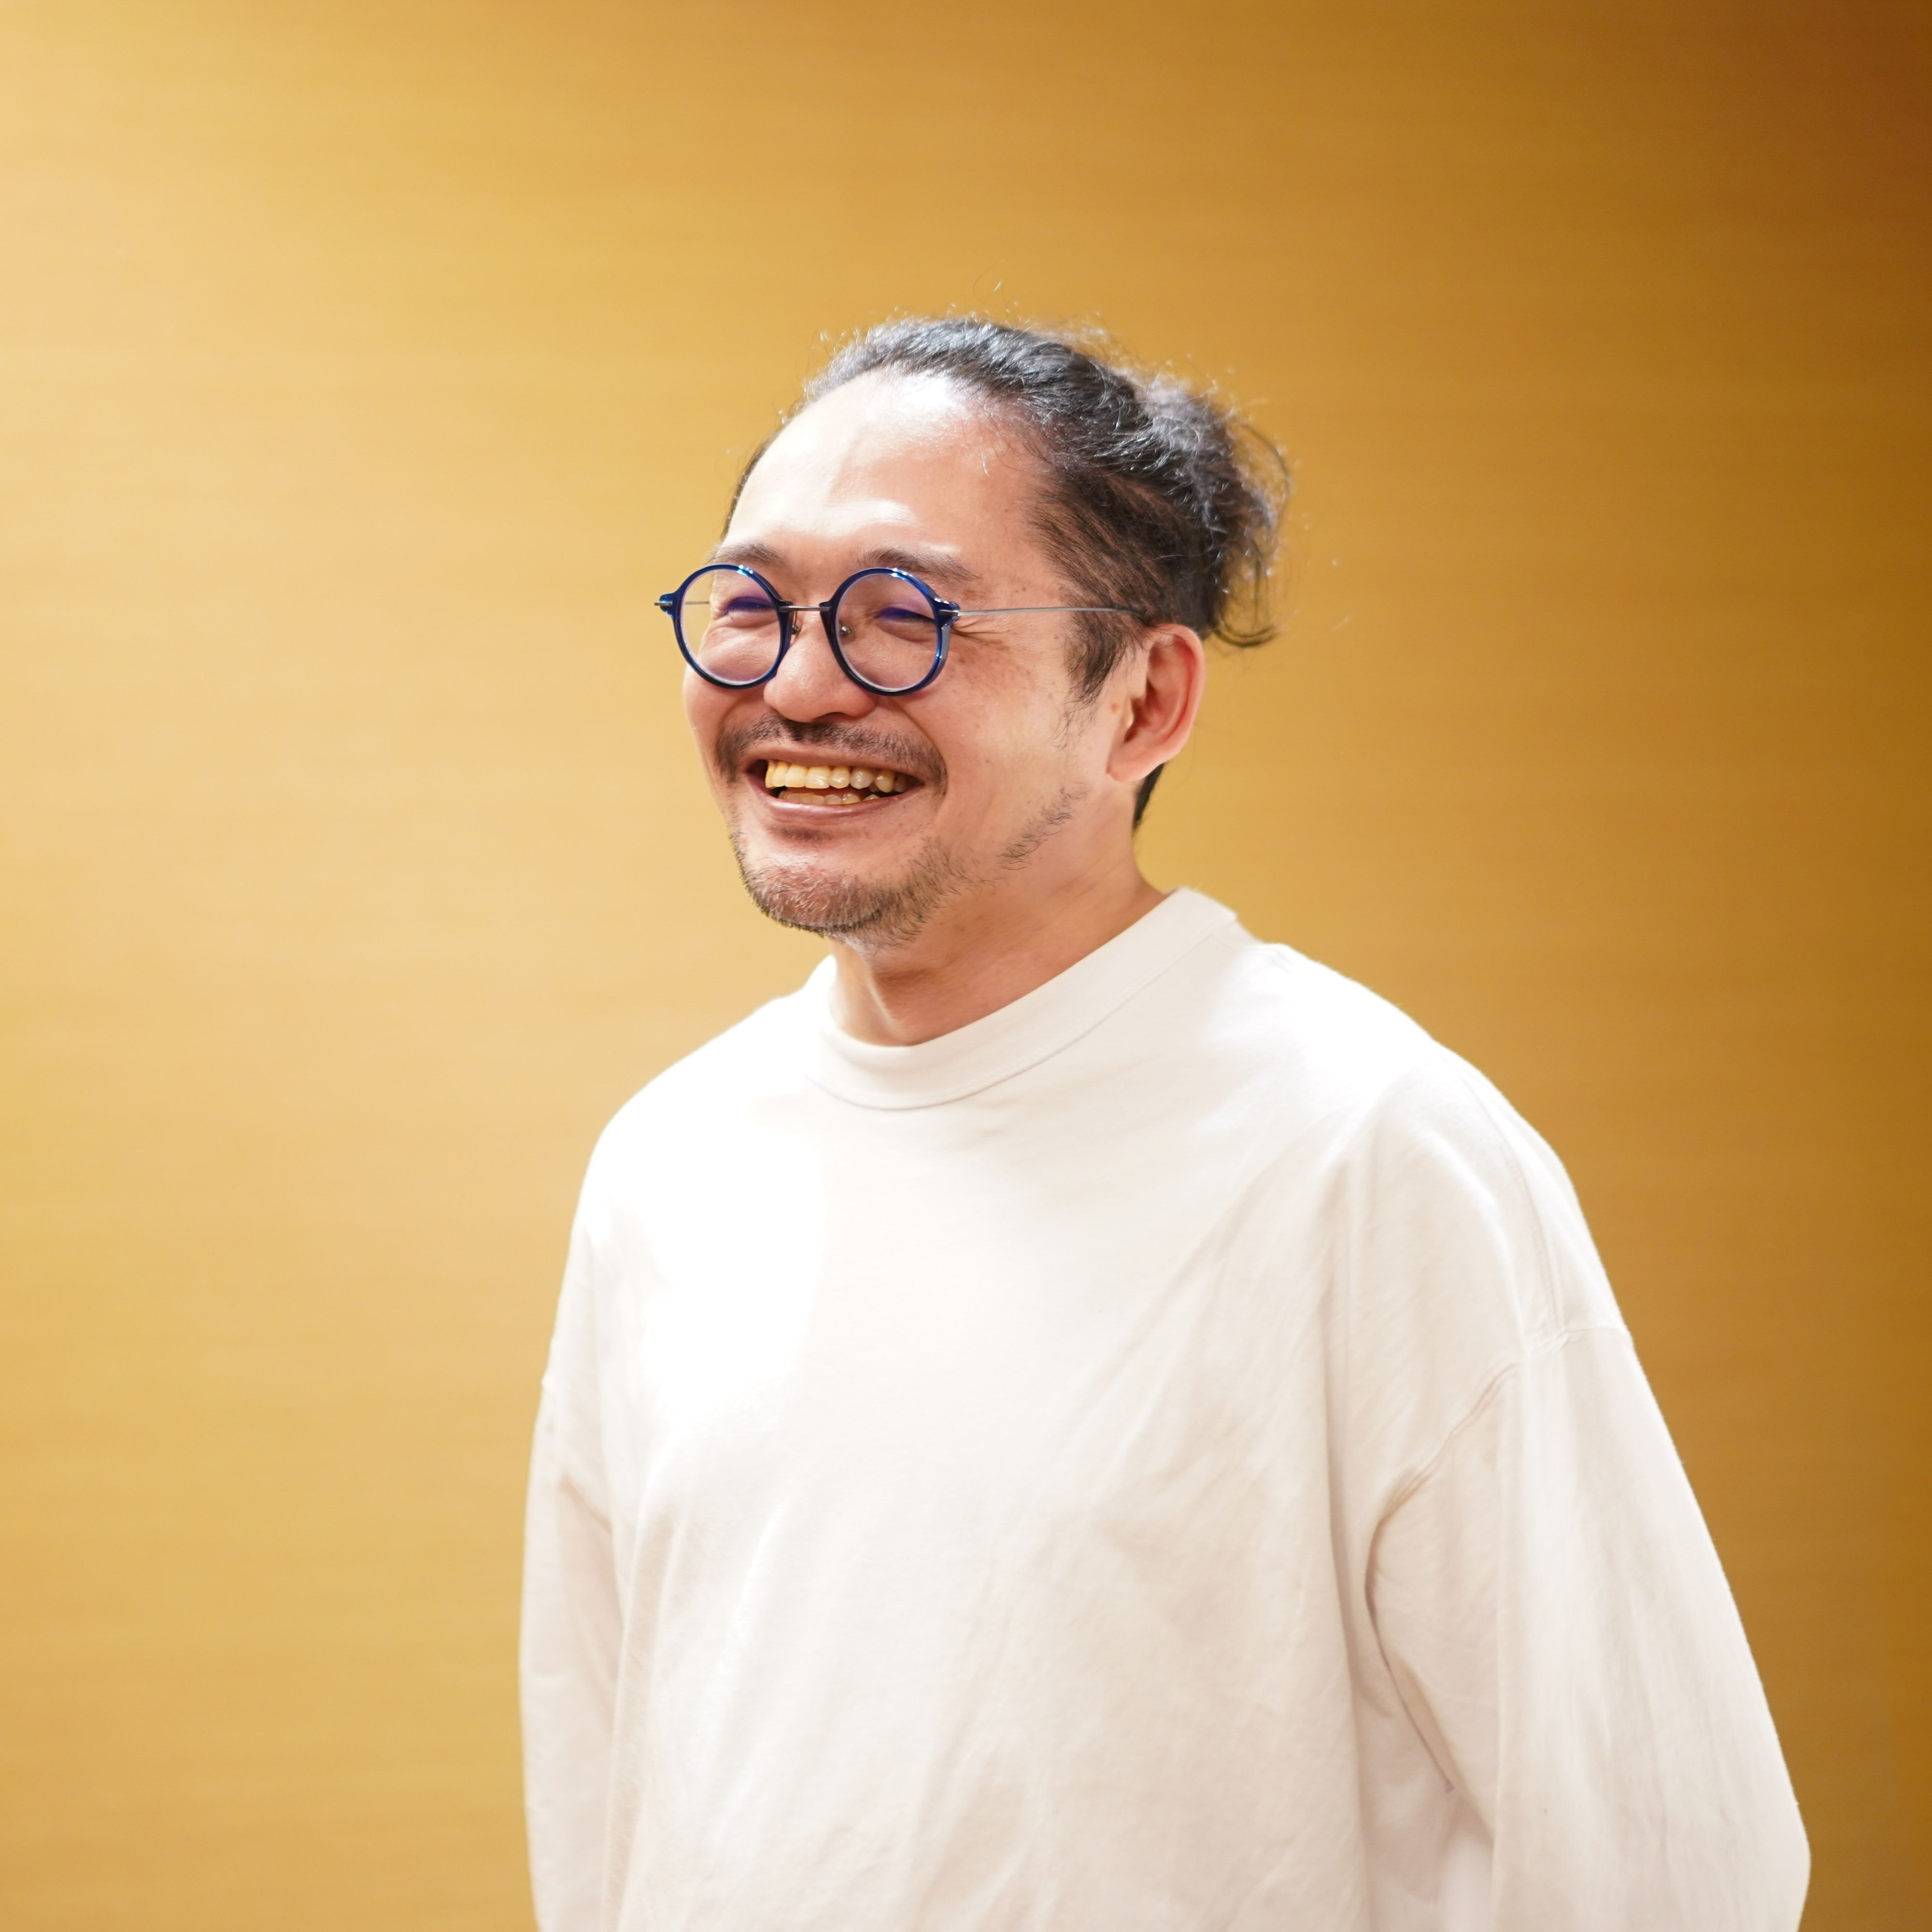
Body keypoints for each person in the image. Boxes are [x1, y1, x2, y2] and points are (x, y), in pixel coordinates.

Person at [520, 318, 1807, 1932]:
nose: (797, 685)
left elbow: (1670, 1859)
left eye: (904, 617)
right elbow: (607, 1795)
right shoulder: (672, 1164)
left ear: (1142, 701)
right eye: (750, 607)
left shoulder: (1366, 1150)